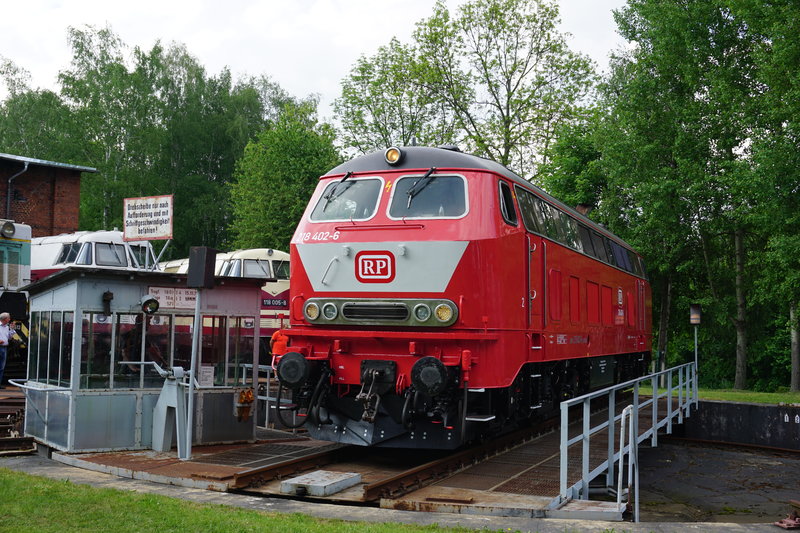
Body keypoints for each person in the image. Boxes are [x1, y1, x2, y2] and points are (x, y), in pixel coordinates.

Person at [0, 312, 11, 388]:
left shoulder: (7, 327)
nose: (9, 319)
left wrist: (12, 330)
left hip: (4, 347)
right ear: (4, 319)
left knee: (1, 367)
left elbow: (9, 337)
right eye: (8, 318)